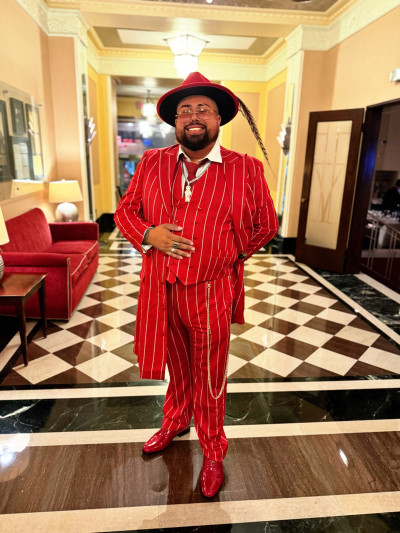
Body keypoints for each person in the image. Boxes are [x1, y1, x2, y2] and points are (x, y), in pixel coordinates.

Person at [114, 72, 279, 498]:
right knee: (177, 366)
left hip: (211, 291)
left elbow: (266, 225)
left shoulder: (246, 168)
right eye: (185, 110)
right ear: (175, 121)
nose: (193, 116)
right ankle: (174, 421)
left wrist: (228, 255)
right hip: (161, 287)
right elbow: (125, 212)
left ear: (219, 118)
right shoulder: (152, 162)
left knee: (209, 374)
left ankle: (213, 449)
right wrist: (149, 235)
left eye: (203, 108)